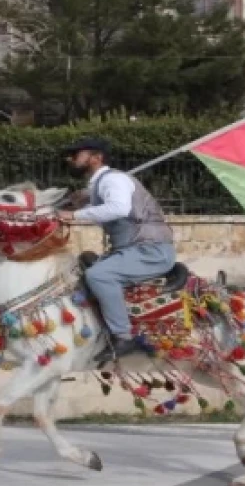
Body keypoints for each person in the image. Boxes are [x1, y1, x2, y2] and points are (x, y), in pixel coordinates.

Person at [55, 138, 177, 362]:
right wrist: (78, 204)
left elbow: (119, 208)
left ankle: (123, 335)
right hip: (132, 250)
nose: (70, 159)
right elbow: (102, 207)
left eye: (77, 154)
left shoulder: (114, 180)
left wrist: (74, 214)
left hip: (150, 251)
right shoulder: (100, 184)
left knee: (99, 275)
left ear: (96, 157)